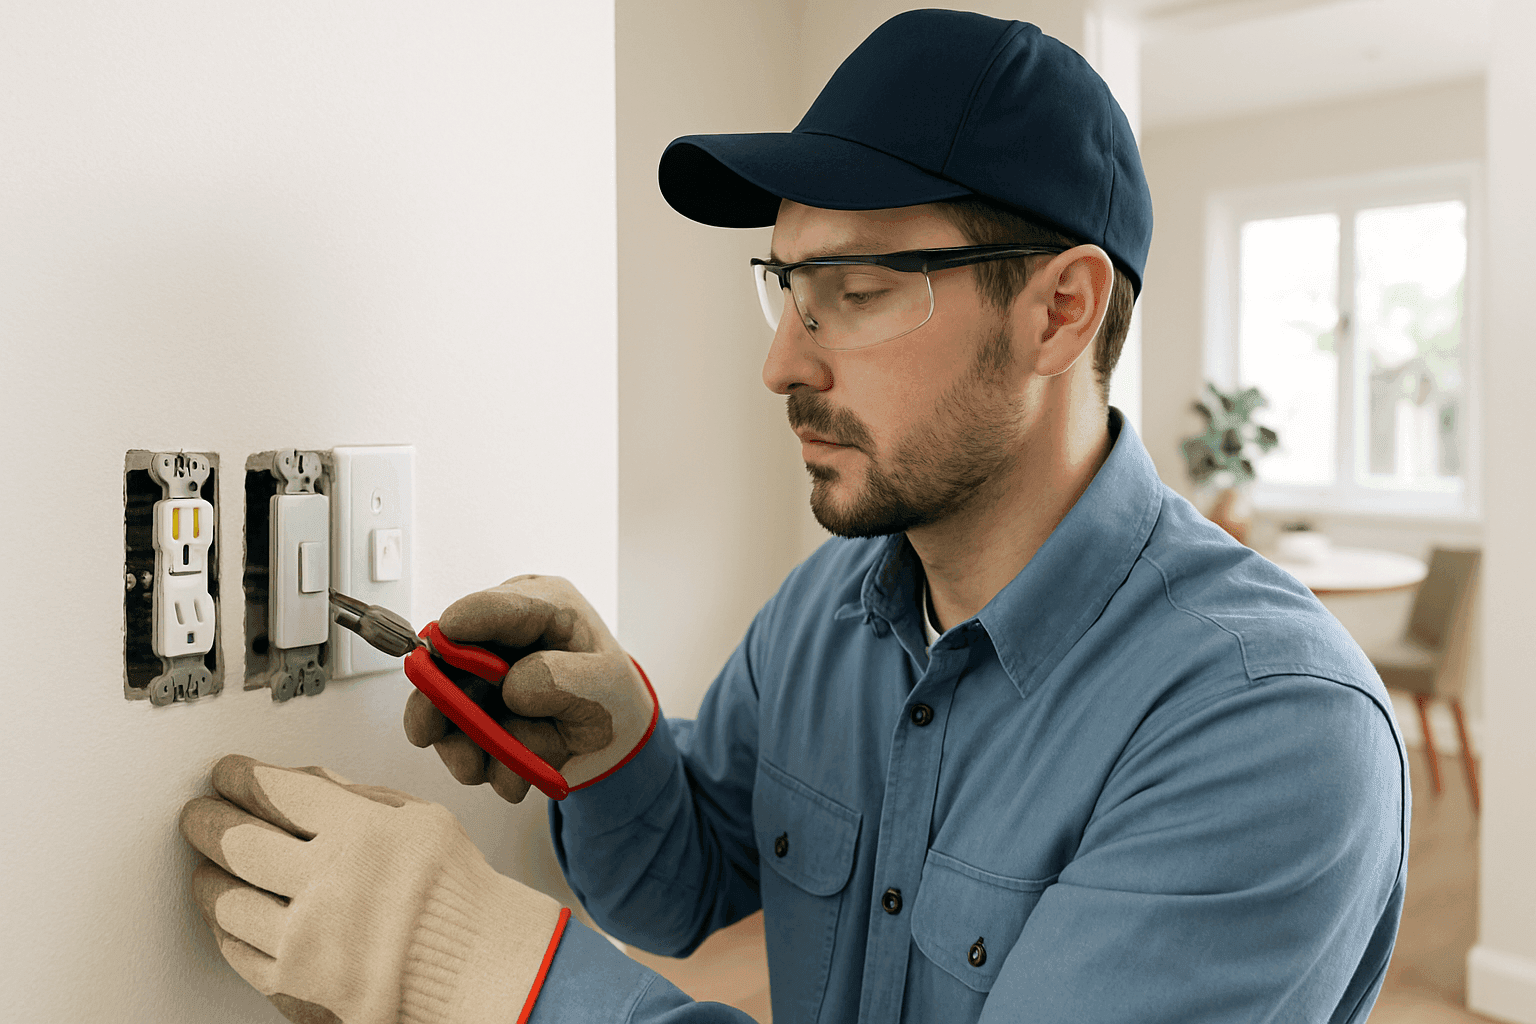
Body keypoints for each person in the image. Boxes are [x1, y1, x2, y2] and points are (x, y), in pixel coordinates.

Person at [178, 10, 1409, 1023]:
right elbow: (684, 890)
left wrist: (477, 966)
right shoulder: (832, 607)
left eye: (855, 291)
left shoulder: (1271, 731)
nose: (781, 365)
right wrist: (617, 754)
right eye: (785, 288)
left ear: (1060, 312)